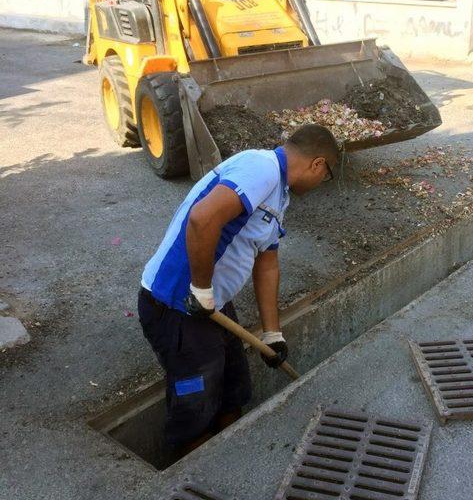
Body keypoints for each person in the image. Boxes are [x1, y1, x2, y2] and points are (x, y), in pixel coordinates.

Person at [138, 124, 340, 452]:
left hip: (211, 305)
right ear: (318, 164)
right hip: (177, 304)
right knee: (195, 412)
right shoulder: (261, 168)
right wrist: (201, 289)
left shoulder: (279, 194)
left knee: (233, 392)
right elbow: (203, 219)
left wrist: (272, 333)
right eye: (326, 176)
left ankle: (230, 460)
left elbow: (267, 262)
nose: (321, 184)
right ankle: (188, 478)